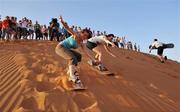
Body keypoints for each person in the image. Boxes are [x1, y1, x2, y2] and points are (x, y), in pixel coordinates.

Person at [55, 16, 92, 88]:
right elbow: (67, 28)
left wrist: (93, 60)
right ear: (81, 33)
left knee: (79, 56)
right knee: (72, 58)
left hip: (67, 49)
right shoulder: (76, 35)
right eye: (84, 35)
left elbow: (86, 52)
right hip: (60, 48)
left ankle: (71, 71)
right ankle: (72, 76)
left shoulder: (81, 43)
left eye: (86, 37)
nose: (84, 37)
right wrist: (61, 21)